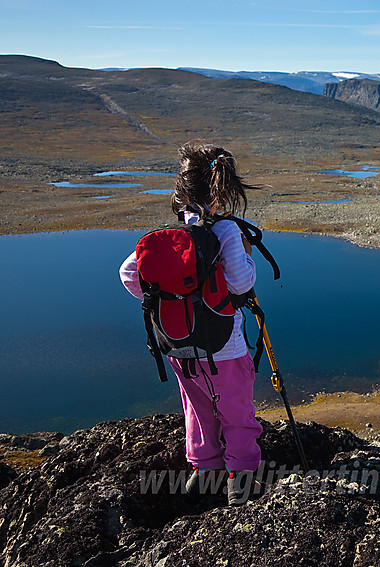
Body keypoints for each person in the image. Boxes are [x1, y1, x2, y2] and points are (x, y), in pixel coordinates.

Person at [119, 140, 263, 505]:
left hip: (178, 345)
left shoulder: (169, 237)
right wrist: (248, 259)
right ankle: (241, 478)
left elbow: (128, 273)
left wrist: (166, 298)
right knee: (236, 410)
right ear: (221, 191)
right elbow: (241, 283)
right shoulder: (227, 231)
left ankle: (204, 469)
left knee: (196, 406)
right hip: (224, 346)